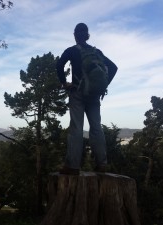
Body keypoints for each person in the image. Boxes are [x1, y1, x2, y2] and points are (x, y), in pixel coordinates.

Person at [56, 23, 118, 175]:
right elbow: (113, 67)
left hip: (77, 93)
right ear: (87, 35)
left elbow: (59, 66)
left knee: (76, 128)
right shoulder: (96, 52)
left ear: (75, 35)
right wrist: (103, 86)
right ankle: (102, 165)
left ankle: (73, 166)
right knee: (96, 128)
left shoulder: (71, 51)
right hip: (94, 96)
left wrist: (65, 84)